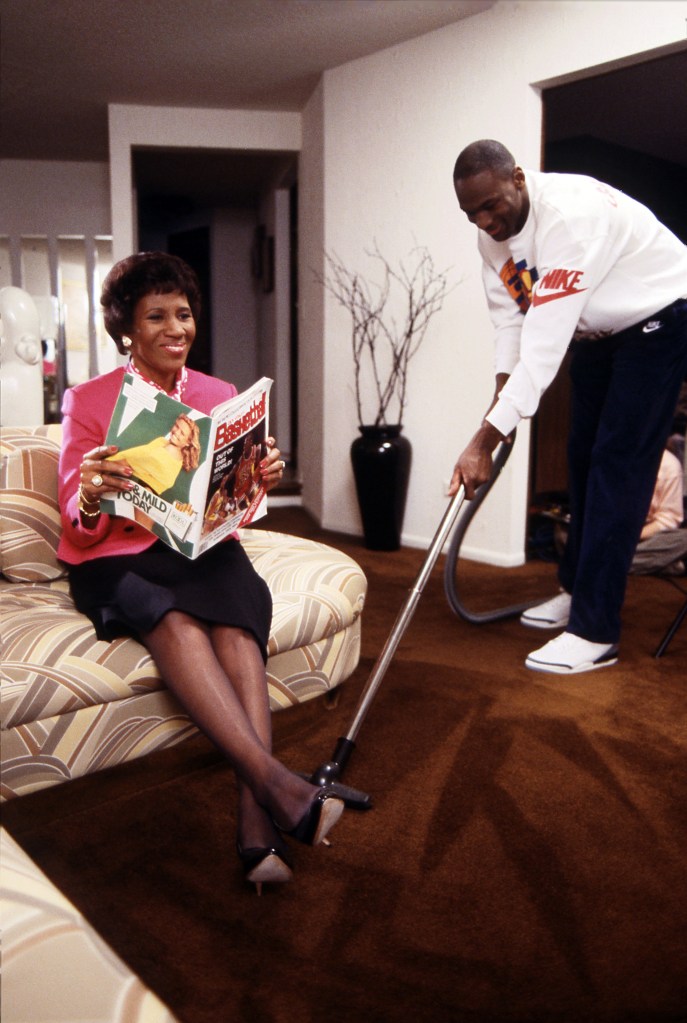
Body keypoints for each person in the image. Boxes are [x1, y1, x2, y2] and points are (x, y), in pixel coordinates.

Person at [58, 252, 345, 893]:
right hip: (116, 553)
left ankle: (253, 819)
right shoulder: (91, 401)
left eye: (183, 313)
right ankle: (280, 790)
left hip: (198, 549)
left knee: (239, 620)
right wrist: (95, 489)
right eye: (155, 315)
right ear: (127, 329)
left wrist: (259, 479)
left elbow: (234, 508)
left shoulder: (218, 396)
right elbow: (76, 523)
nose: (174, 327)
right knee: (176, 619)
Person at [450, 140, 687, 674]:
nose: (485, 221)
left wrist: (483, 441)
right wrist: (496, 420)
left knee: (616, 466)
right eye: (471, 214)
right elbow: (511, 327)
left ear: (516, 178)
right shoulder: (494, 241)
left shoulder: (571, 218)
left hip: (659, 320)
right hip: (600, 334)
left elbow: (543, 345)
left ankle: (596, 630)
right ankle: (576, 589)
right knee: (581, 458)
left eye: (491, 206)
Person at [108, 412, 202, 495]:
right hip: (118, 468)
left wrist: (108, 463)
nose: (176, 432)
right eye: (176, 426)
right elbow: (138, 453)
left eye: (182, 433)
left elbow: (133, 462)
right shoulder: (162, 441)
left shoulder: (169, 456)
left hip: (135, 482)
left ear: (188, 443)